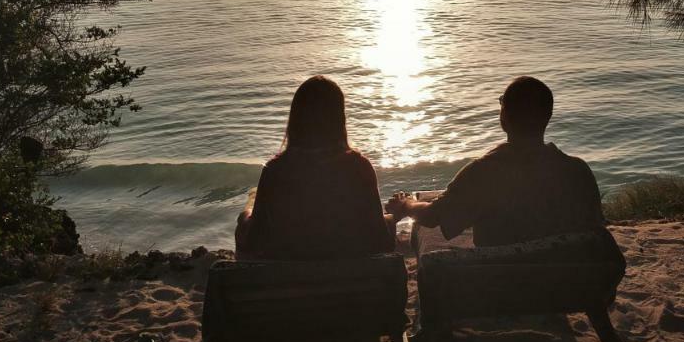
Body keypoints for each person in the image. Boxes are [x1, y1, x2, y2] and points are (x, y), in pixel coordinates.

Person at [386, 76, 605, 246]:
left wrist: (406, 205)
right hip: (566, 284)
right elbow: (594, 229)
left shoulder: (484, 173)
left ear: (505, 117)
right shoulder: (577, 171)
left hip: (502, 287)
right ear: (547, 117)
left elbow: (434, 216)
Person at [235, 75, 395, 259]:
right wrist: (391, 218)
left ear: (296, 120)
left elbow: (253, 240)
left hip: (287, 282)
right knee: (388, 222)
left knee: (244, 220)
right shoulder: (359, 167)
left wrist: (246, 216)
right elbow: (381, 239)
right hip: (351, 280)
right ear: (339, 118)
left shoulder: (275, 171)